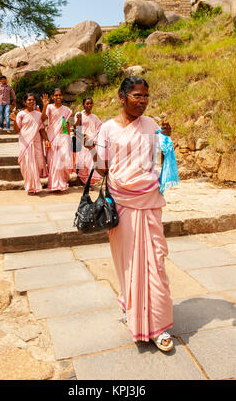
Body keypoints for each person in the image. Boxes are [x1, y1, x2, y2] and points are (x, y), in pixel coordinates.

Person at [94, 76, 174, 352]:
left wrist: (167, 140)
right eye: (137, 96)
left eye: (145, 96)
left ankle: (159, 325)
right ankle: (134, 310)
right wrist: (93, 150)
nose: (142, 101)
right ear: (122, 97)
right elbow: (101, 168)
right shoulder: (106, 129)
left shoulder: (152, 125)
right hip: (121, 201)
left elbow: (157, 161)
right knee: (127, 261)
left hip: (149, 198)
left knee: (156, 261)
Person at [10, 93, 50, 194]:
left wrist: (46, 140)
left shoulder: (38, 114)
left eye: (33, 100)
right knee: (27, 164)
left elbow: (41, 129)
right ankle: (30, 186)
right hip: (25, 143)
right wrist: (15, 121)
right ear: (25, 102)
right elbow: (17, 130)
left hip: (36, 142)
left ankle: (36, 185)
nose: (31, 101)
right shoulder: (21, 114)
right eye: (29, 100)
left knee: (37, 164)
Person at [41, 89, 72, 192]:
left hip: (62, 138)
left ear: (62, 96)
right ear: (53, 97)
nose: (58, 97)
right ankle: (54, 185)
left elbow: (66, 125)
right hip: (51, 137)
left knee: (62, 160)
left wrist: (66, 136)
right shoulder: (49, 107)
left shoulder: (66, 110)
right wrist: (45, 105)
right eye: (56, 95)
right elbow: (43, 118)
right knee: (53, 162)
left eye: (60, 95)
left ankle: (61, 183)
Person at [73, 98, 102, 185]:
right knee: (82, 162)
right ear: (83, 105)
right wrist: (78, 119)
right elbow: (75, 128)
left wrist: (94, 138)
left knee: (90, 162)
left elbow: (100, 127)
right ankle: (83, 181)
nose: (89, 105)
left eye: (91, 103)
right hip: (82, 141)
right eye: (87, 104)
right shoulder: (79, 114)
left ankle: (89, 182)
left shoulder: (95, 117)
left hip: (91, 141)